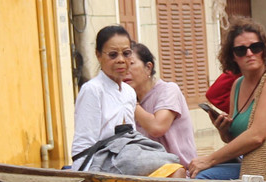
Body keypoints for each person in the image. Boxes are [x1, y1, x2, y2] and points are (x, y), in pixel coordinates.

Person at [187, 20, 266, 181]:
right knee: (192, 172)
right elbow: (237, 141)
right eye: (241, 50)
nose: (249, 53)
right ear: (232, 56)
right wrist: (224, 131)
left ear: (264, 50)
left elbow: (257, 136)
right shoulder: (238, 85)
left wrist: (208, 159)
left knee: (203, 176)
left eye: (255, 47)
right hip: (252, 166)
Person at [71, 25, 139, 159]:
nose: (121, 60)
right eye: (113, 55)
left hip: (128, 159)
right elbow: (83, 144)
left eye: (126, 53)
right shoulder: (93, 90)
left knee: (173, 165)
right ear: (98, 55)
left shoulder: (129, 92)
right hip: (103, 162)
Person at [128, 43, 197, 166]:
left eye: (131, 64)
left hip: (180, 170)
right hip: (146, 169)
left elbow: (157, 127)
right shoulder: (126, 99)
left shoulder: (168, 90)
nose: (125, 71)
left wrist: (129, 101)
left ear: (148, 67)